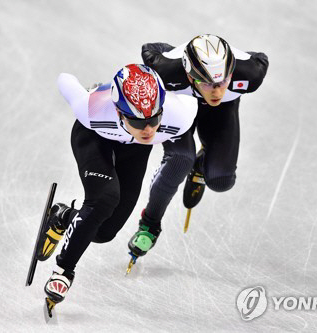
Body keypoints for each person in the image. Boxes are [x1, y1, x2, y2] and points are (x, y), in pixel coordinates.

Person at [37, 64, 197, 313]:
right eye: (137, 120)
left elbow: (199, 99)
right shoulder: (91, 108)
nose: (148, 129)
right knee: (104, 199)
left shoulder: (181, 113)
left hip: (134, 150)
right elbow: (64, 79)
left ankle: (63, 217)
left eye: (155, 119)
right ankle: (63, 272)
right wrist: (93, 91)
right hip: (94, 138)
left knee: (103, 233)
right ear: (119, 112)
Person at [127, 34, 269, 259]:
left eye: (223, 82)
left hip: (222, 112)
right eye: (207, 83)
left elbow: (260, 57)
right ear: (190, 74)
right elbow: (150, 48)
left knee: (221, 181)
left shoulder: (251, 74)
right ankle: (150, 224)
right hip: (182, 106)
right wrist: (175, 52)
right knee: (180, 161)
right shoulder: (166, 69)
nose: (217, 92)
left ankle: (202, 164)